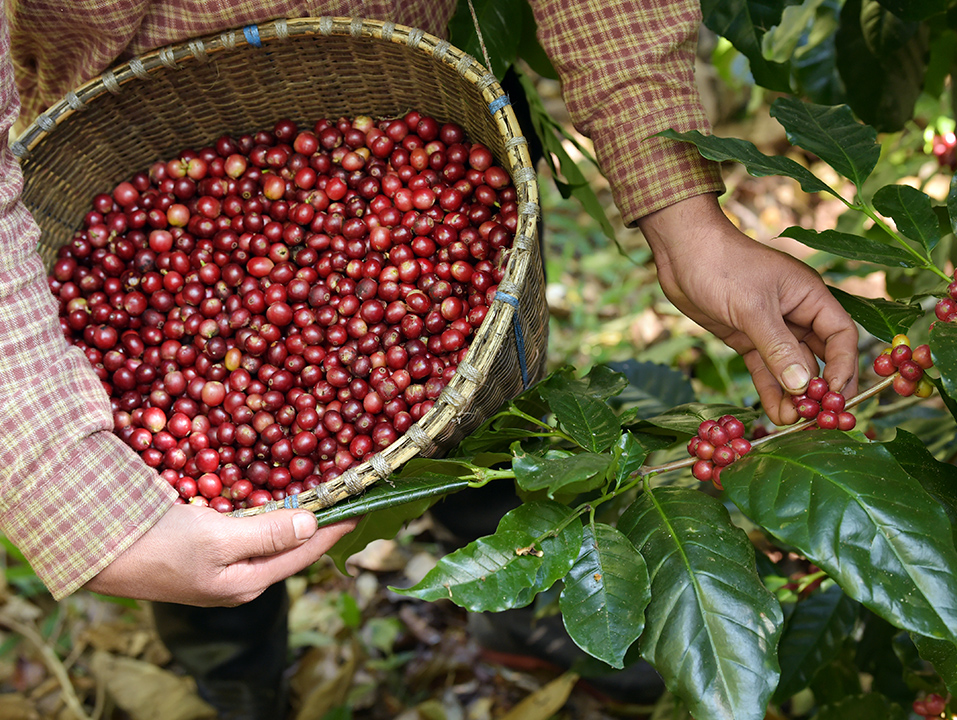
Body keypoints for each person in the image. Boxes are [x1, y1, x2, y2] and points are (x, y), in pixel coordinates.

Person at [1, 0, 857, 714]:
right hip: (109, 99)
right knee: (193, 539)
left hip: (419, 68)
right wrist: (63, 483)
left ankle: (516, 601)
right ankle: (233, 686)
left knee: (484, 423)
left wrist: (679, 205)